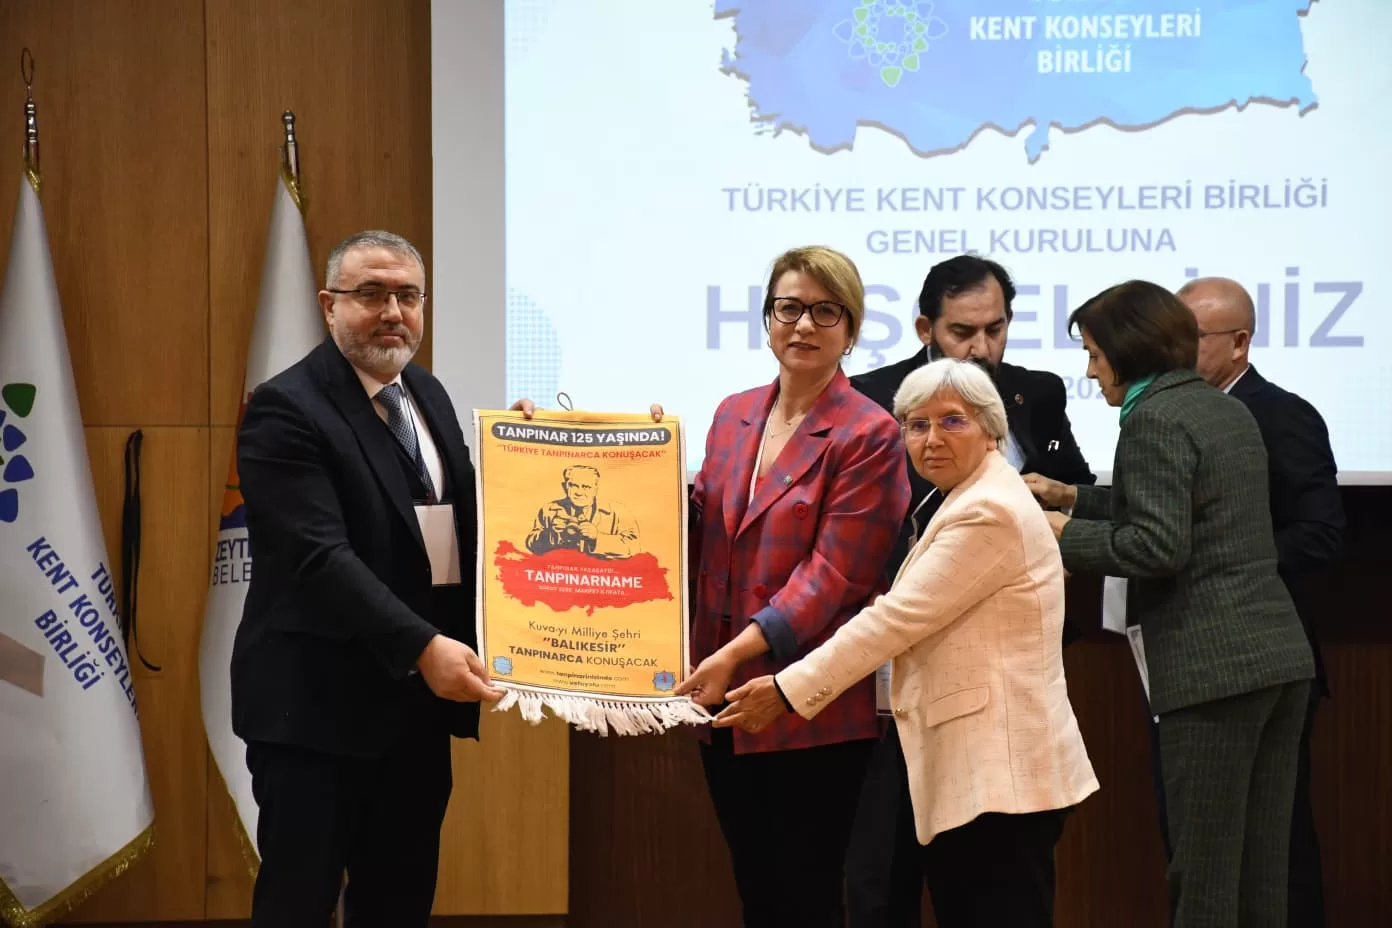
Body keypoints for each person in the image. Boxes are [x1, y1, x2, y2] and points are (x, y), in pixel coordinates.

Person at [715, 357, 1099, 928]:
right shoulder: (964, 495)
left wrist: (786, 690)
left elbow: (894, 620)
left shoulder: (988, 509)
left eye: (952, 421)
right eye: (917, 425)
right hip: (980, 772)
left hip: (1001, 777)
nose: (932, 439)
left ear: (991, 430)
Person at [233, 230, 509, 927]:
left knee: (399, 903)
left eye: (408, 296)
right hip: (316, 713)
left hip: (416, 711)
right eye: (371, 294)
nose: (393, 312)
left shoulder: (426, 392)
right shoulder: (285, 407)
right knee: (298, 905)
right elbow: (318, 558)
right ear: (329, 305)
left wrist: (529, 454)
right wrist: (423, 645)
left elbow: (463, 523)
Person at [1025, 280, 1316, 928]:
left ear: (1129, 350)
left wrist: (1060, 534)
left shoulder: (1153, 418)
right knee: (1260, 872)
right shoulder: (1219, 406)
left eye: (1095, 353)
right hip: (1278, 660)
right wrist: (1072, 497)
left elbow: (1157, 544)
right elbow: (1177, 504)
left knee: (1204, 874)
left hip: (1214, 671)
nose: (1089, 370)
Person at [846, 253, 1096, 928]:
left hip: (1006, 668)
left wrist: (1050, 523)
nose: (982, 347)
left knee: (994, 880)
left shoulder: (1035, 392)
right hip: (904, 663)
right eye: (963, 332)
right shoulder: (871, 396)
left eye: (995, 328)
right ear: (926, 327)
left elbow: (1078, 487)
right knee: (883, 872)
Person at [673, 245, 911, 927]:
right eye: (789, 308)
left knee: (805, 896)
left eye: (825, 311)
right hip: (720, 697)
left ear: (851, 328)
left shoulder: (869, 432)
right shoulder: (733, 413)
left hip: (809, 706)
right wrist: (633, 472)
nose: (804, 325)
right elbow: (702, 525)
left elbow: (835, 576)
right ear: (767, 318)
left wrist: (734, 655)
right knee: (756, 889)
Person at [1175, 276, 1345, 926]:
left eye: (1190, 338)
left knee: (1275, 844)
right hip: (1189, 658)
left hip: (1261, 659)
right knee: (1202, 846)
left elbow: (1321, 533)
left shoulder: (1281, 414)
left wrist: (1226, 559)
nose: (1172, 352)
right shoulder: (1178, 414)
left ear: (1240, 342)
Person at [525, 464, 639, 558]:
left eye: (586, 487)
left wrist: (597, 538)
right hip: (562, 572)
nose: (579, 492)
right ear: (565, 487)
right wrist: (553, 536)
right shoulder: (549, 510)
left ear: (595, 489)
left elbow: (634, 547)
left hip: (602, 573)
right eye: (573, 486)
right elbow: (531, 544)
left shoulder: (616, 511)